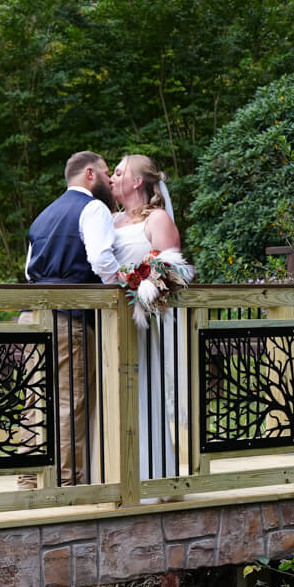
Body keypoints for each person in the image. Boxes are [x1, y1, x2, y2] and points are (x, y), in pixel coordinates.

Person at [19, 151, 128, 487]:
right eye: (107, 173)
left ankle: (29, 480)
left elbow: (29, 271)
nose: (110, 181)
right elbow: (100, 260)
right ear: (90, 174)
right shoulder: (93, 208)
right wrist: (124, 286)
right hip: (69, 318)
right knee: (69, 402)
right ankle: (69, 485)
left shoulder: (43, 215)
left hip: (32, 315)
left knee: (35, 400)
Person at [109, 154, 192, 481]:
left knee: (143, 396)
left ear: (137, 181)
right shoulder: (110, 222)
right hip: (109, 325)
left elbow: (173, 272)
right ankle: (114, 477)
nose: (112, 177)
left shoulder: (156, 220)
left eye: (119, 172)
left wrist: (142, 284)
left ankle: (151, 478)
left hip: (142, 324)